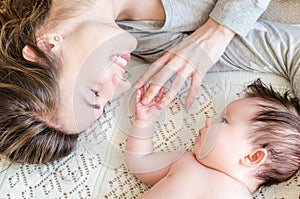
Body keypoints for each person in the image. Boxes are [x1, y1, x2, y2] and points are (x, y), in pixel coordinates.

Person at [0, 0, 296, 164]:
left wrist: (218, 29)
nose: (122, 85)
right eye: (106, 101)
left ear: (48, 46)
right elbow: (291, 49)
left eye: (94, 90)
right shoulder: (151, 41)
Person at [125, 79, 300, 198]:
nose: (209, 121)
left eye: (224, 120)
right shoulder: (184, 161)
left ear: (252, 157)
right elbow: (140, 163)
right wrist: (144, 122)